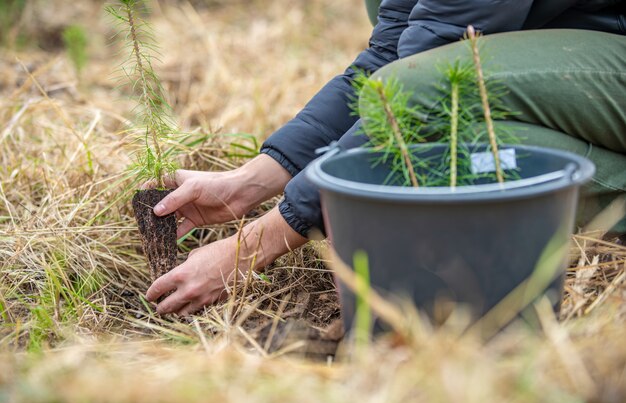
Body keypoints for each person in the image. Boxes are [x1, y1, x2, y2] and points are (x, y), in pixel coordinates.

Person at [145, 0, 626, 316]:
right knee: (454, 152)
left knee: (426, 94)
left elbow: (416, 82)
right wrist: (250, 182)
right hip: (573, 70)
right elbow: (387, 60)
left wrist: (249, 248)